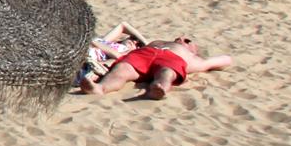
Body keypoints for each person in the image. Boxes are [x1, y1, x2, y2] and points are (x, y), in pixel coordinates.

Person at [79, 37, 234, 99]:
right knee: (122, 69)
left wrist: (224, 59)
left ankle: (159, 89)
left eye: (187, 40)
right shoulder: (158, 42)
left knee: (166, 73)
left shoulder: (191, 56)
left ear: (194, 49)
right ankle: (100, 88)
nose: (180, 38)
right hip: (144, 55)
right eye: (178, 37)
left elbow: (224, 60)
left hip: (171, 59)